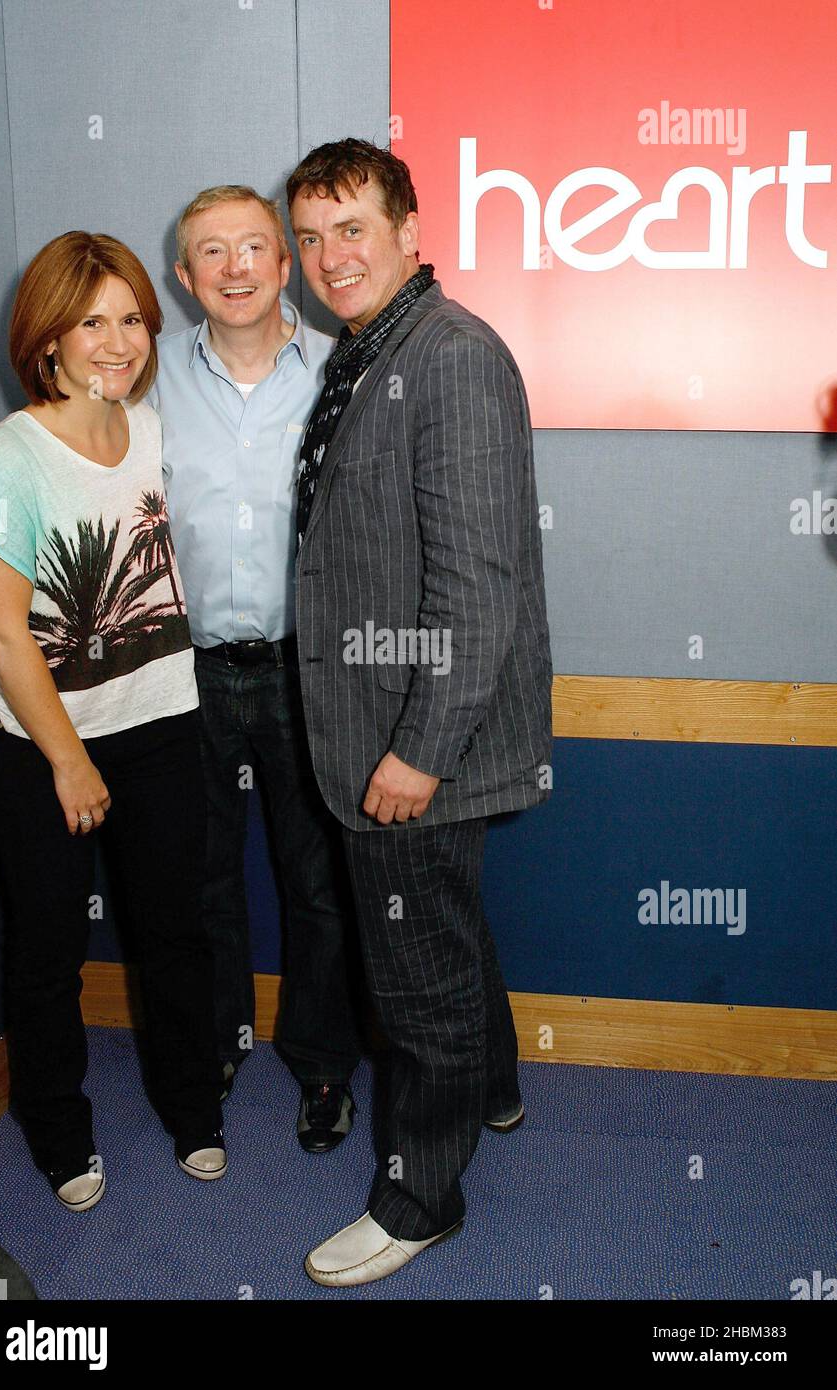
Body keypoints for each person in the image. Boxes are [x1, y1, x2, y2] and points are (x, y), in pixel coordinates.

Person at [287, 139, 554, 1285]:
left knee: (414, 978)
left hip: (412, 744)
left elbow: (476, 583)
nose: (325, 257)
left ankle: (418, 1196)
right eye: (310, 236)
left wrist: (415, 751)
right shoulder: (374, 351)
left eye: (351, 228)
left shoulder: (446, 358)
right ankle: (490, 1089)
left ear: (406, 229)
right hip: (387, 723)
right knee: (443, 935)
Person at [0, 232, 225, 1211]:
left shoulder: (151, 431)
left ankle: (194, 1109)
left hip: (160, 726)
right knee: (47, 955)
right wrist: (69, 761)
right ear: (47, 340)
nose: (117, 342)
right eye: (91, 322)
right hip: (39, 751)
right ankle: (60, 1135)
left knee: (175, 937)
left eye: (131, 320)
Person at [149, 186, 364, 1150]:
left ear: (286, 265)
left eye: (252, 249)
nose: (234, 268)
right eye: (210, 253)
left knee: (318, 878)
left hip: (307, 671)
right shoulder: (142, 379)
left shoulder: (348, 373)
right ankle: (219, 1044)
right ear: (184, 276)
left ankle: (323, 1066)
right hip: (183, 671)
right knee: (201, 880)